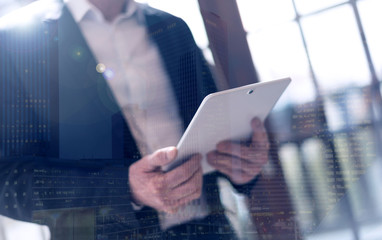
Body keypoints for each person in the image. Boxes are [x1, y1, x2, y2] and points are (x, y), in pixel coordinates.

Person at [0, 0, 270, 239]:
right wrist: (125, 188)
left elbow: (212, 129)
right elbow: (6, 181)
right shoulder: (13, 42)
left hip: (210, 230)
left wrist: (241, 164)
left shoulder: (173, 27)